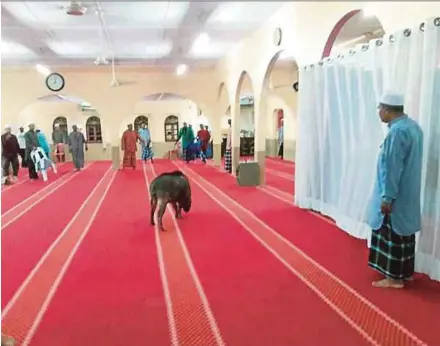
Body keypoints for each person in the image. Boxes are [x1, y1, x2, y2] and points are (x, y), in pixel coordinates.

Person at [367, 92, 423, 289]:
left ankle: (393, 278)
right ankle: (405, 273)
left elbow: (392, 168)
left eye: (380, 108)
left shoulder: (397, 132)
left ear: (388, 110)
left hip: (396, 195)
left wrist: (387, 197)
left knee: (392, 234)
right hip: (408, 193)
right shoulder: (413, 127)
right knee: (405, 234)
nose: (379, 112)